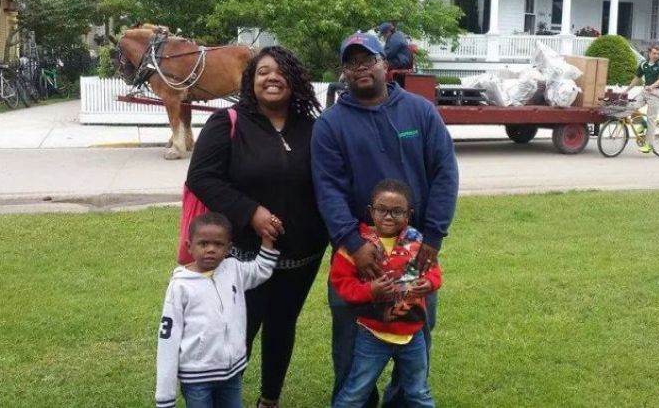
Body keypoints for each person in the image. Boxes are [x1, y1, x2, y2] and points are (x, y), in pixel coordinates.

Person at [312, 32, 459, 407]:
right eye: (351, 63)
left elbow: (444, 172)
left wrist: (434, 236)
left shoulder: (420, 112)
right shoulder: (330, 125)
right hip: (357, 252)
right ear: (344, 72)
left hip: (414, 252)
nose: (360, 69)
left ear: (385, 65)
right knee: (351, 339)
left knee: (413, 333)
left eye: (368, 60)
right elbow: (328, 189)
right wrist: (353, 243)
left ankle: (401, 400)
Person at [186, 46, 329, 408]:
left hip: (303, 254)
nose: (272, 77)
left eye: (281, 71)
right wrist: (251, 212)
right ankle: (225, 397)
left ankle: (270, 399)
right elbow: (202, 177)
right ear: (251, 80)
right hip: (244, 255)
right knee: (239, 329)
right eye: (263, 71)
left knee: (283, 325)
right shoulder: (228, 122)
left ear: (295, 81)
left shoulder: (313, 128)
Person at [331, 179, 441, 408]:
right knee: (355, 393)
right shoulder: (357, 246)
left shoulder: (416, 242)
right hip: (372, 334)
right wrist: (369, 290)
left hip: (413, 336)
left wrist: (428, 284)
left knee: (419, 392)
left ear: (408, 214)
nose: (389, 217)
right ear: (371, 211)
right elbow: (342, 285)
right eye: (382, 210)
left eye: (397, 211)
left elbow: (434, 271)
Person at [155, 212, 280, 408]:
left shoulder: (234, 270)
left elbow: (260, 270)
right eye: (203, 244)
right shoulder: (180, 286)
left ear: (229, 248)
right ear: (189, 246)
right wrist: (165, 397)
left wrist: (267, 239)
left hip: (232, 375)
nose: (211, 249)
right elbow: (168, 339)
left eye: (218, 244)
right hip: (196, 379)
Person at [626, 43, 659, 153]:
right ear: (649, 53)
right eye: (654, 53)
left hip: (656, 93)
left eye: (658, 53)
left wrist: (652, 86)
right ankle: (642, 124)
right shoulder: (643, 64)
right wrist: (626, 90)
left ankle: (648, 145)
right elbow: (636, 79)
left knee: (651, 119)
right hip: (645, 92)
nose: (656, 55)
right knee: (630, 105)